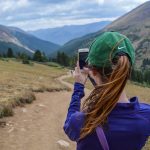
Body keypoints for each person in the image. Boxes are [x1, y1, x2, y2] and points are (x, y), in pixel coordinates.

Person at [63, 31, 150, 150]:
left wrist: (78, 87)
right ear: (127, 71)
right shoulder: (146, 115)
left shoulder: (80, 122)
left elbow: (68, 126)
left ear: (93, 71)